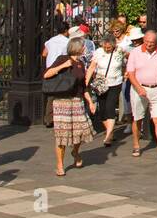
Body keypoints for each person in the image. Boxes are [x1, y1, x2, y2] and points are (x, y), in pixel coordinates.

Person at [42, 37, 95, 176]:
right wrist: (62, 66)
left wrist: (90, 101)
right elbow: (47, 74)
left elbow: (83, 86)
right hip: (62, 102)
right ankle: (60, 164)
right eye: (83, 46)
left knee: (81, 131)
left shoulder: (81, 64)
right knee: (62, 135)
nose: (85, 48)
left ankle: (75, 151)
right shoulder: (62, 59)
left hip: (77, 101)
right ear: (78, 48)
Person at [126, 28, 157, 159]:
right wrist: (138, 88)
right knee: (138, 119)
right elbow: (130, 73)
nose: (149, 44)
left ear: (156, 42)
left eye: (151, 42)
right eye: (146, 41)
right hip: (139, 88)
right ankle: (136, 144)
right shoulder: (135, 52)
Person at [86, 33, 125, 147]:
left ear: (114, 45)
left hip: (115, 83)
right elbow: (92, 67)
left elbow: (124, 65)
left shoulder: (119, 51)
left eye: (109, 47)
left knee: (110, 107)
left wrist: (125, 74)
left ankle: (108, 137)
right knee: (102, 111)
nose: (107, 49)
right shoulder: (98, 52)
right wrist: (86, 80)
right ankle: (110, 130)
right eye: (105, 47)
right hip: (101, 84)